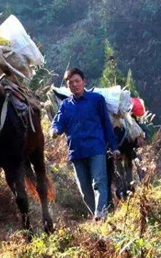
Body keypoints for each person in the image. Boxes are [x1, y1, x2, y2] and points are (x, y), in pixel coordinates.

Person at [50, 68, 120, 220]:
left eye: (77, 81)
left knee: (99, 182)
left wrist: (114, 147)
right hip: (76, 152)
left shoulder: (96, 100)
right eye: (71, 83)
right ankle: (97, 216)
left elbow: (106, 124)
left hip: (96, 148)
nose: (74, 85)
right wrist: (54, 131)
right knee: (84, 190)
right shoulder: (66, 105)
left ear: (84, 82)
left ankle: (100, 214)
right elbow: (57, 123)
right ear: (68, 86)